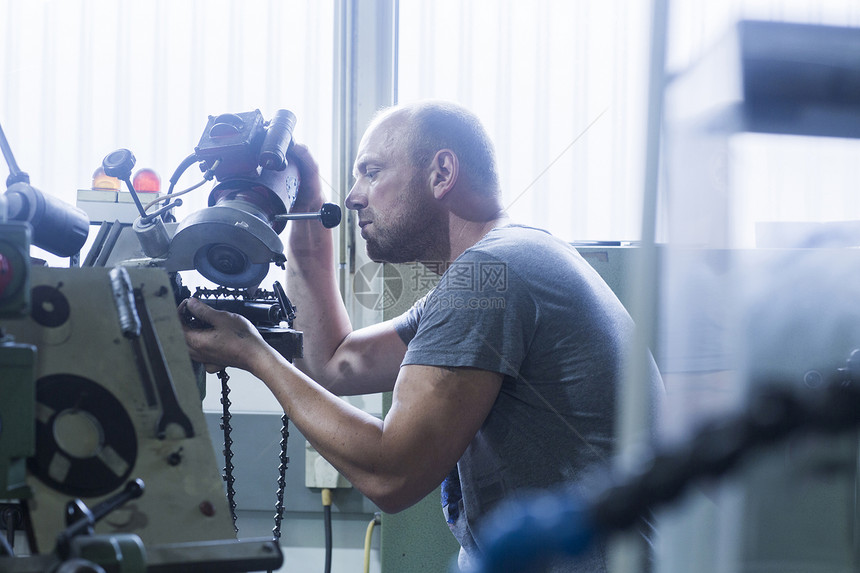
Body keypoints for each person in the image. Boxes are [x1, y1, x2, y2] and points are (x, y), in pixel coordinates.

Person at [180, 100, 663, 571]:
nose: (351, 196)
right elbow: (332, 360)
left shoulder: (493, 273)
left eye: (371, 171)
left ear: (441, 173)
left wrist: (254, 354)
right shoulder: (504, 263)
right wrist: (305, 211)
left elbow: (393, 474)